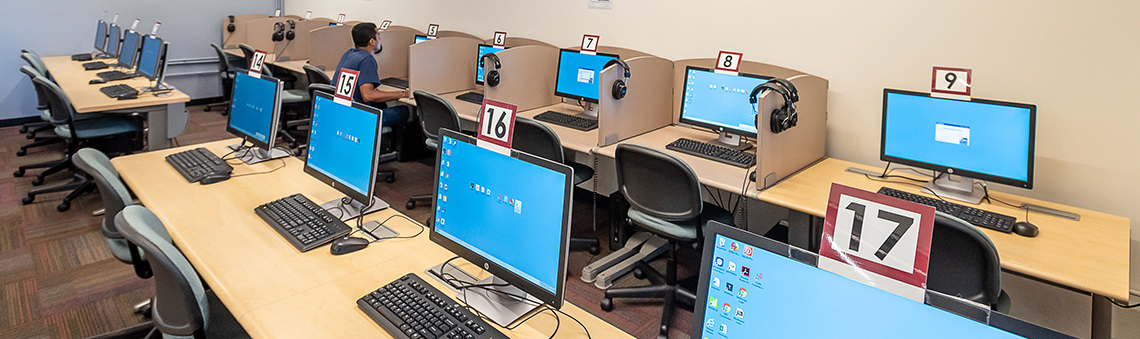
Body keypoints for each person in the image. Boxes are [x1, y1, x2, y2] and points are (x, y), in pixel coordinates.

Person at [331, 22, 411, 126]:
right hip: (357, 117)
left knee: (382, 104)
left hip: (340, 111)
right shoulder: (367, 59)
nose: (380, 39)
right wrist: (403, 94)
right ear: (372, 41)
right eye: (378, 36)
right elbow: (368, 96)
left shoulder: (349, 53)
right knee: (404, 111)